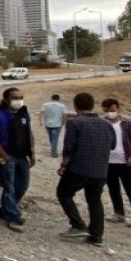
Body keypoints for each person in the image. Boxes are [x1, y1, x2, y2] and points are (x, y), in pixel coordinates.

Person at [56, 92, 116, 246]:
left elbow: (68, 148)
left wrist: (63, 166)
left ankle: (78, 225)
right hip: (100, 171)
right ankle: (96, 236)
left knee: (63, 193)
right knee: (95, 201)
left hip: (78, 168)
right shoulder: (107, 124)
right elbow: (113, 145)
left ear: (76, 106)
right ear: (92, 105)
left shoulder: (75, 123)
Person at [0, 87, 34, 232]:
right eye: (15, 97)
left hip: (22, 156)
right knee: (8, 187)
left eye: (21, 97)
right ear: (7, 99)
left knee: (23, 185)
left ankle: (7, 209)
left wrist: (32, 153)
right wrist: (4, 156)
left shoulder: (24, 114)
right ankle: (13, 217)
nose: (18, 100)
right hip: (7, 156)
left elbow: (29, 134)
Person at [101, 98, 131, 228]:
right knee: (113, 189)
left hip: (126, 162)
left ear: (118, 108)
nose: (110, 113)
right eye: (107, 110)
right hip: (108, 163)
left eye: (112, 110)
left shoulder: (129, 125)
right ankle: (118, 213)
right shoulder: (103, 124)